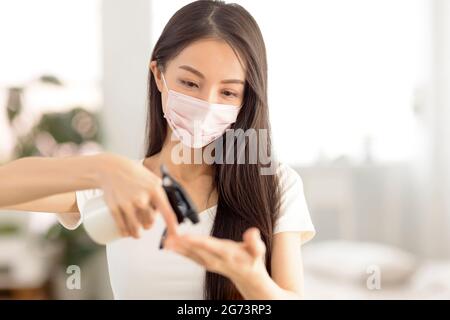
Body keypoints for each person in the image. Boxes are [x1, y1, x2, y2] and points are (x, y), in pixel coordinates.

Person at [0, 0, 315, 299]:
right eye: (190, 83)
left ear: (247, 100)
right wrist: (99, 168)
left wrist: (253, 280)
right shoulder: (119, 183)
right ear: (159, 75)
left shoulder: (275, 184)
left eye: (229, 92)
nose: (207, 104)